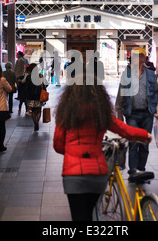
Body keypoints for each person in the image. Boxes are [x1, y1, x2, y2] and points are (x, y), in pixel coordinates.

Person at [53, 73, 152, 221]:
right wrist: (145, 135)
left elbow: (58, 146)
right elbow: (125, 130)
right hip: (97, 174)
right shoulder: (102, 113)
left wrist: (72, 151)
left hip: (73, 176)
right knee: (90, 213)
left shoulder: (65, 115)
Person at [115, 47, 158, 177]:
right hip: (132, 113)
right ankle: (133, 170)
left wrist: (156, 108)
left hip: (147, 113)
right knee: (133, 142)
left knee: (145, 142)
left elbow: (157, 93)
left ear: (143, 58)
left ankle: (142, 168)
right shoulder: (127, 75)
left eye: (137, 55)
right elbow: (121, 94)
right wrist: (118, 113)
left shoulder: (151, 74)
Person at [25, 63, 46, 131]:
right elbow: (45, 85)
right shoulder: (40, 76)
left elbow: (26, 87)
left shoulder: (28, 77)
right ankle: (37, 122)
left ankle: (35, 123)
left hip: (31, 96)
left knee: (33, 111)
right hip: (39, 96)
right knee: (39, 110)